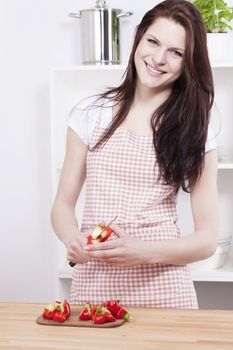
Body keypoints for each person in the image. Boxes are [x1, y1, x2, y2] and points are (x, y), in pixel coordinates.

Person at [51, 0, 218, 308]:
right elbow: (62, 205)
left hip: (164, 287)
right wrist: (71, 238)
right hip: (95, 282)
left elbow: (207, 239)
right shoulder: (90, 113)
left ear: (188, 62)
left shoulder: (195, 127)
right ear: (138, 38)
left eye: (176, 52)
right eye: (153, 41)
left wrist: (142, 252)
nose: (158, 58)